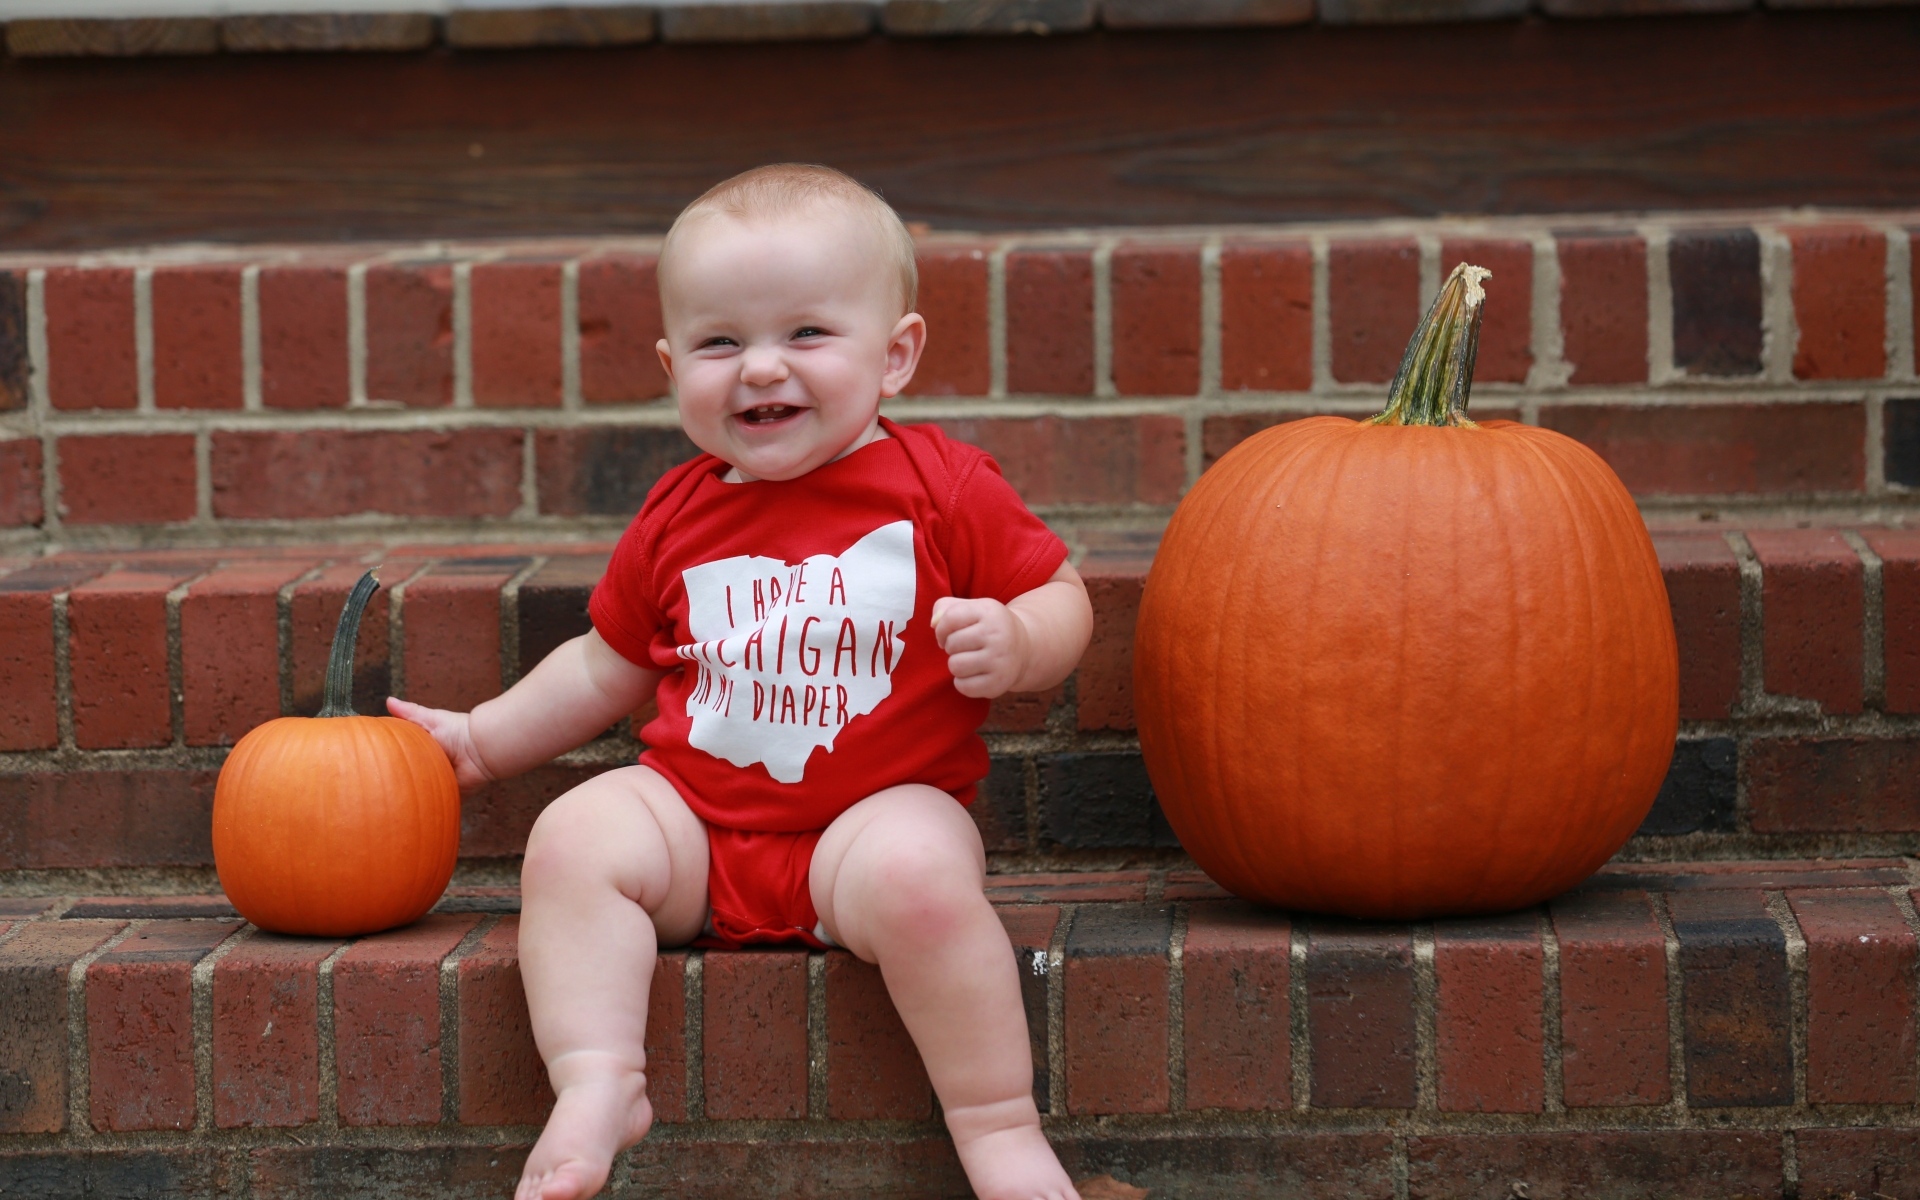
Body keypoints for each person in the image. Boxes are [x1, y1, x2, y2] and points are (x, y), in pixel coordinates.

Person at [390, 163, 1093, 1200]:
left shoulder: (942, 487)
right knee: (576, 837)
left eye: (807, 334)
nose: (762, 368)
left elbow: (1061, 590)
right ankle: (597, 1078)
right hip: (699, 832)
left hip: (866, 829)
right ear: (675, 366)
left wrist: (1023, 640)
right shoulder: (678, 513)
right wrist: (484, 744)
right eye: (722, 343)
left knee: (923, 877)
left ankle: (997, 1130)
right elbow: (605, 663)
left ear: (895, 355)